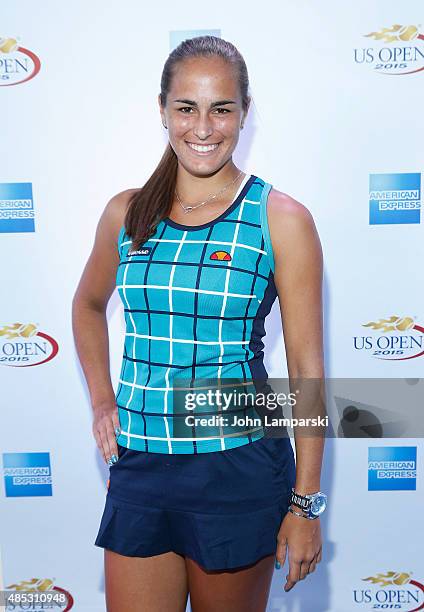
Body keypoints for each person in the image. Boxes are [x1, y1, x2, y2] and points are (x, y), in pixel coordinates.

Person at [72, 35, 326, 612]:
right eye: (186, 107)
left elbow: (307, 370)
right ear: (161, 110)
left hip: (236, 467)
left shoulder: (280, 219)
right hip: (140, 465)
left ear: (245, 112)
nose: (203, 127)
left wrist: (305, 504)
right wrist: (101, 401)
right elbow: (86, 306)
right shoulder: (127, 213)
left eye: (222, 108)